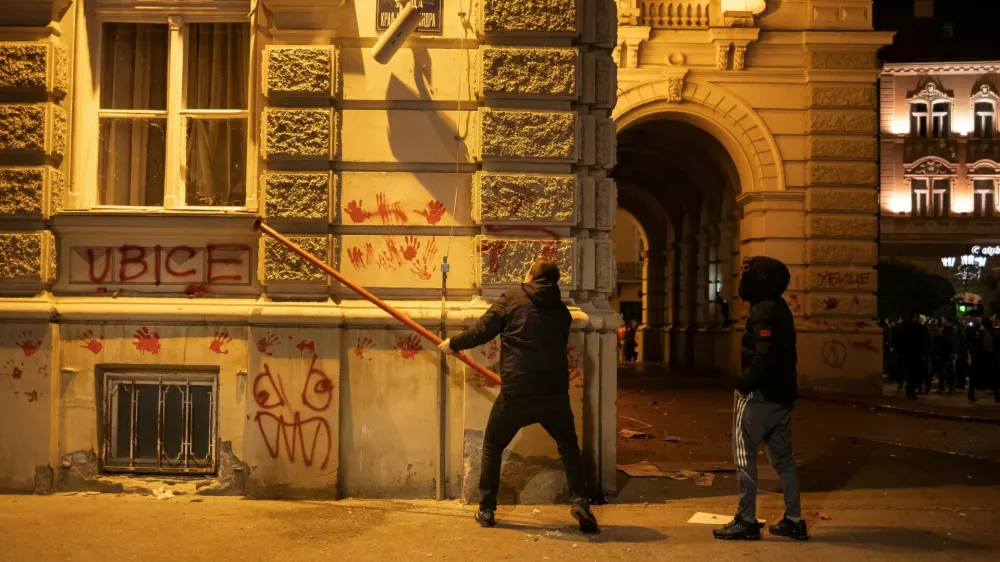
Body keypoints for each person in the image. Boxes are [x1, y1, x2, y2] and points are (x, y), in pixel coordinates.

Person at [437, 258, 600, 534]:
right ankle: (580, 500)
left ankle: (487, 509)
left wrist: (453, 344)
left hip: (518, 392)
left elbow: (482, 330)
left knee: (492, 444)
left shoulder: (512, 299)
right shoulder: (562, 312)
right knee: (569, 447)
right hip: (554, 393)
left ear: (530, 275)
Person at [714, 256, 807, 542]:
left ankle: (746, 519)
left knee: (744, 457)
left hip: (760, 396)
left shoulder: (764, 311)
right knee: (783, 459)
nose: (743, 282)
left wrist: (744, 384)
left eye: (748, 276)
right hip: (781, 396)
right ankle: (793, 520)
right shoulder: (778, 307)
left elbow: (763, 355)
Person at [895, 315, 930, 400]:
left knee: (911, 373)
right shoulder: (922, 329)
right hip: (916, 354)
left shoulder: (906, 328)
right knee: (914, 374)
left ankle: (910, 390)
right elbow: (927, 342)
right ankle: (912, 390)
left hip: (910, 354)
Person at [970, 317, 999, 403]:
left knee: (994, 377)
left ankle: (996, 395)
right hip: (985, 357)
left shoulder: (983, 333)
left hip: (986, 357)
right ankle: (996, 395)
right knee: (994, 377)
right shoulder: (985, 333)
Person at [937, 318, 958, 395]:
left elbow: (942, 343)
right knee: (951, 371)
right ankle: (951, 388)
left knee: (943, 370)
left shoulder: (945, 331)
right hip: (953, 353)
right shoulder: (955, 331)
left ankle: (941, 387)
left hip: (946, 353)